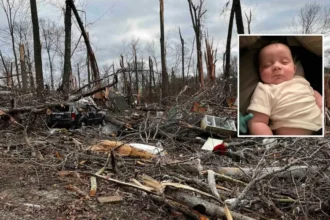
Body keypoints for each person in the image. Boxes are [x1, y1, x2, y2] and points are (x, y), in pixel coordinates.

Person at [247, 42, 322, 135]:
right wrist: (268, 141)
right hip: (291, 138)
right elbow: (257, 122)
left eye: (284, 62)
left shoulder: (301, 80)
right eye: (267, 65)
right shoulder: (264, 89)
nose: (276, 67)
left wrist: (322, 107)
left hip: (321, 127)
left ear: (294, 69)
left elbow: (315, 94)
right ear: (259, 72)